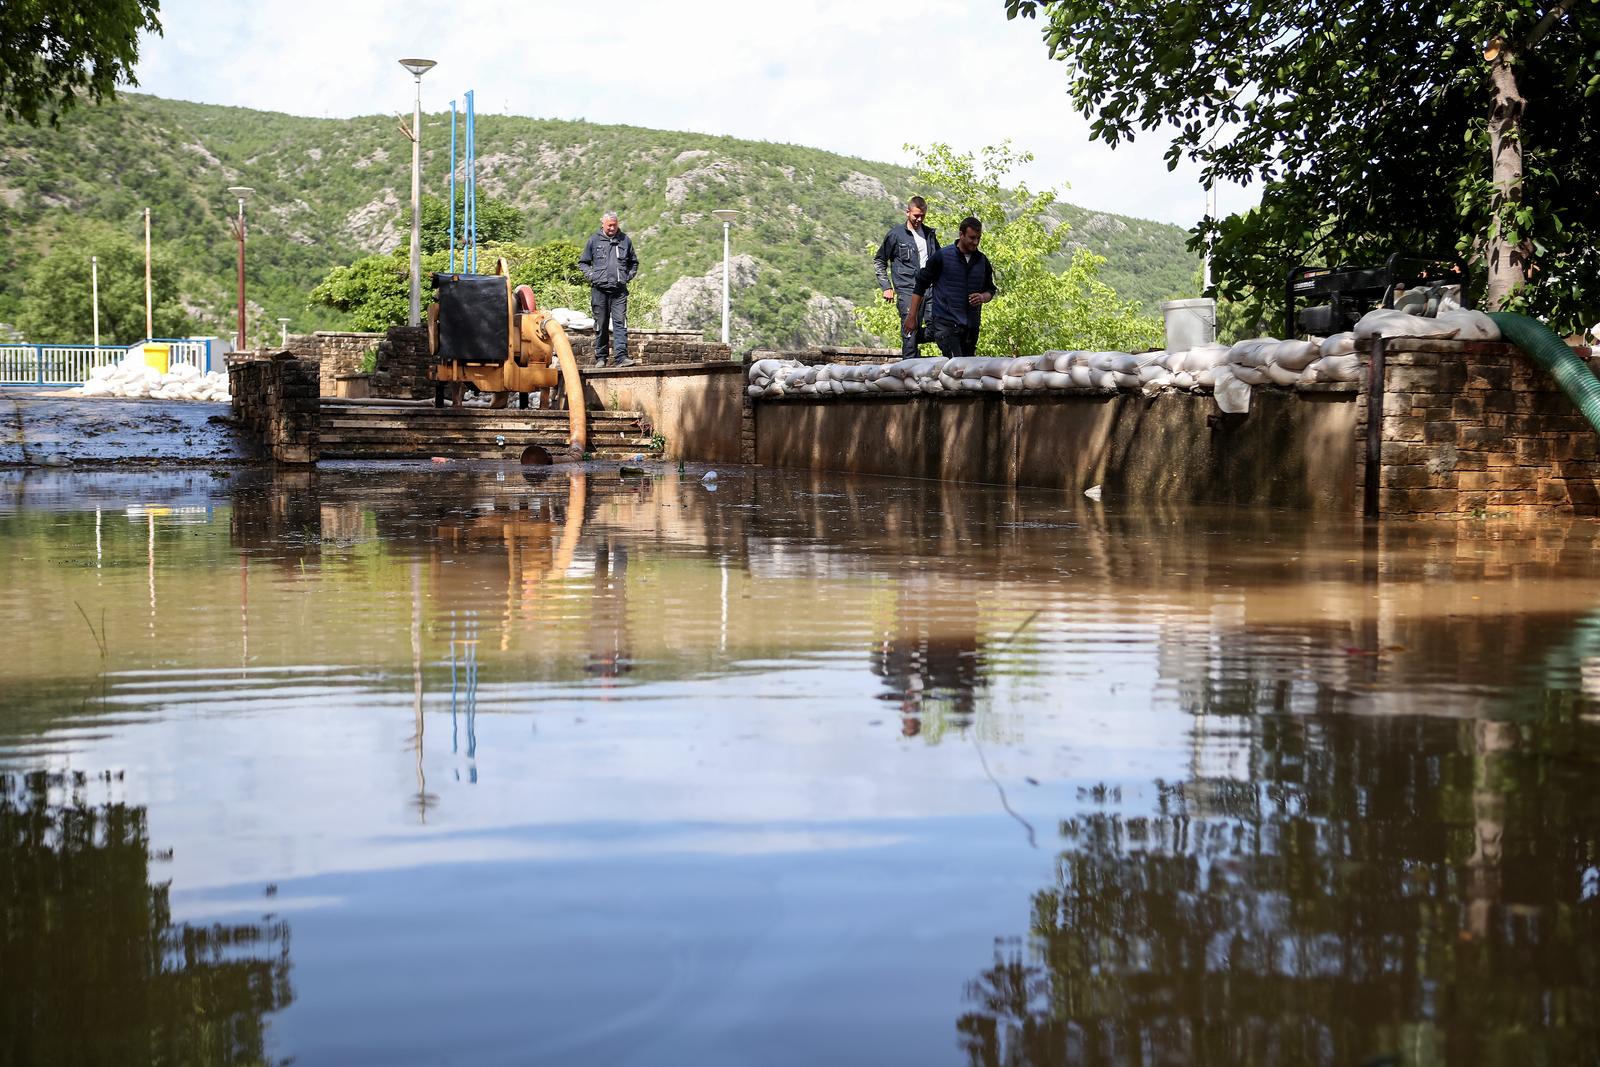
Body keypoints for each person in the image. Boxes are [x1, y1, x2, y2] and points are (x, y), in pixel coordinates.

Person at [905, 216, 996, 359]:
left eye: (979, 238)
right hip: (945, 324)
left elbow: (991, 289)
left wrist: (983, 297)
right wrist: (912, 317)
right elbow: (920, 285)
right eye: (972, 238)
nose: (976, 242)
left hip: (971, 327)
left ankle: (921, 337)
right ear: (961, 234)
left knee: (967, 369)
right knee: (957, 366)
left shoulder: (982, 261)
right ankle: (915, 341)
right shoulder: (942, 257)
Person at [874, 196, 940, 358]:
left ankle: (910, 340)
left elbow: (940, 261)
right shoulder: (896, 235)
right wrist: (886, 287)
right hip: (907, 290)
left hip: (930, 290)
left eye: (922, 216)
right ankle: (908, 370)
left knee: (938, 330)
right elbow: (879, 260)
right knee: (910, 331)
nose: (919, 219)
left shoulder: (929, 235)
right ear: (907, 212)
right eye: (915, 215)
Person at [579, 211, 639, 368]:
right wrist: (593, 276)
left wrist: (627, 276)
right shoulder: (594, 240)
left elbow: (634, 263)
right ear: (603, 224)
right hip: (599, 290)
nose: (612, 228)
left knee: (620, 323)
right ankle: (601, 358)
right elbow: (583, 263)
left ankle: (621, 358)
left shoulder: (625, 240)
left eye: (614, 225)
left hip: (619, 291)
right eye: (609, 225)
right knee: (601, 324)